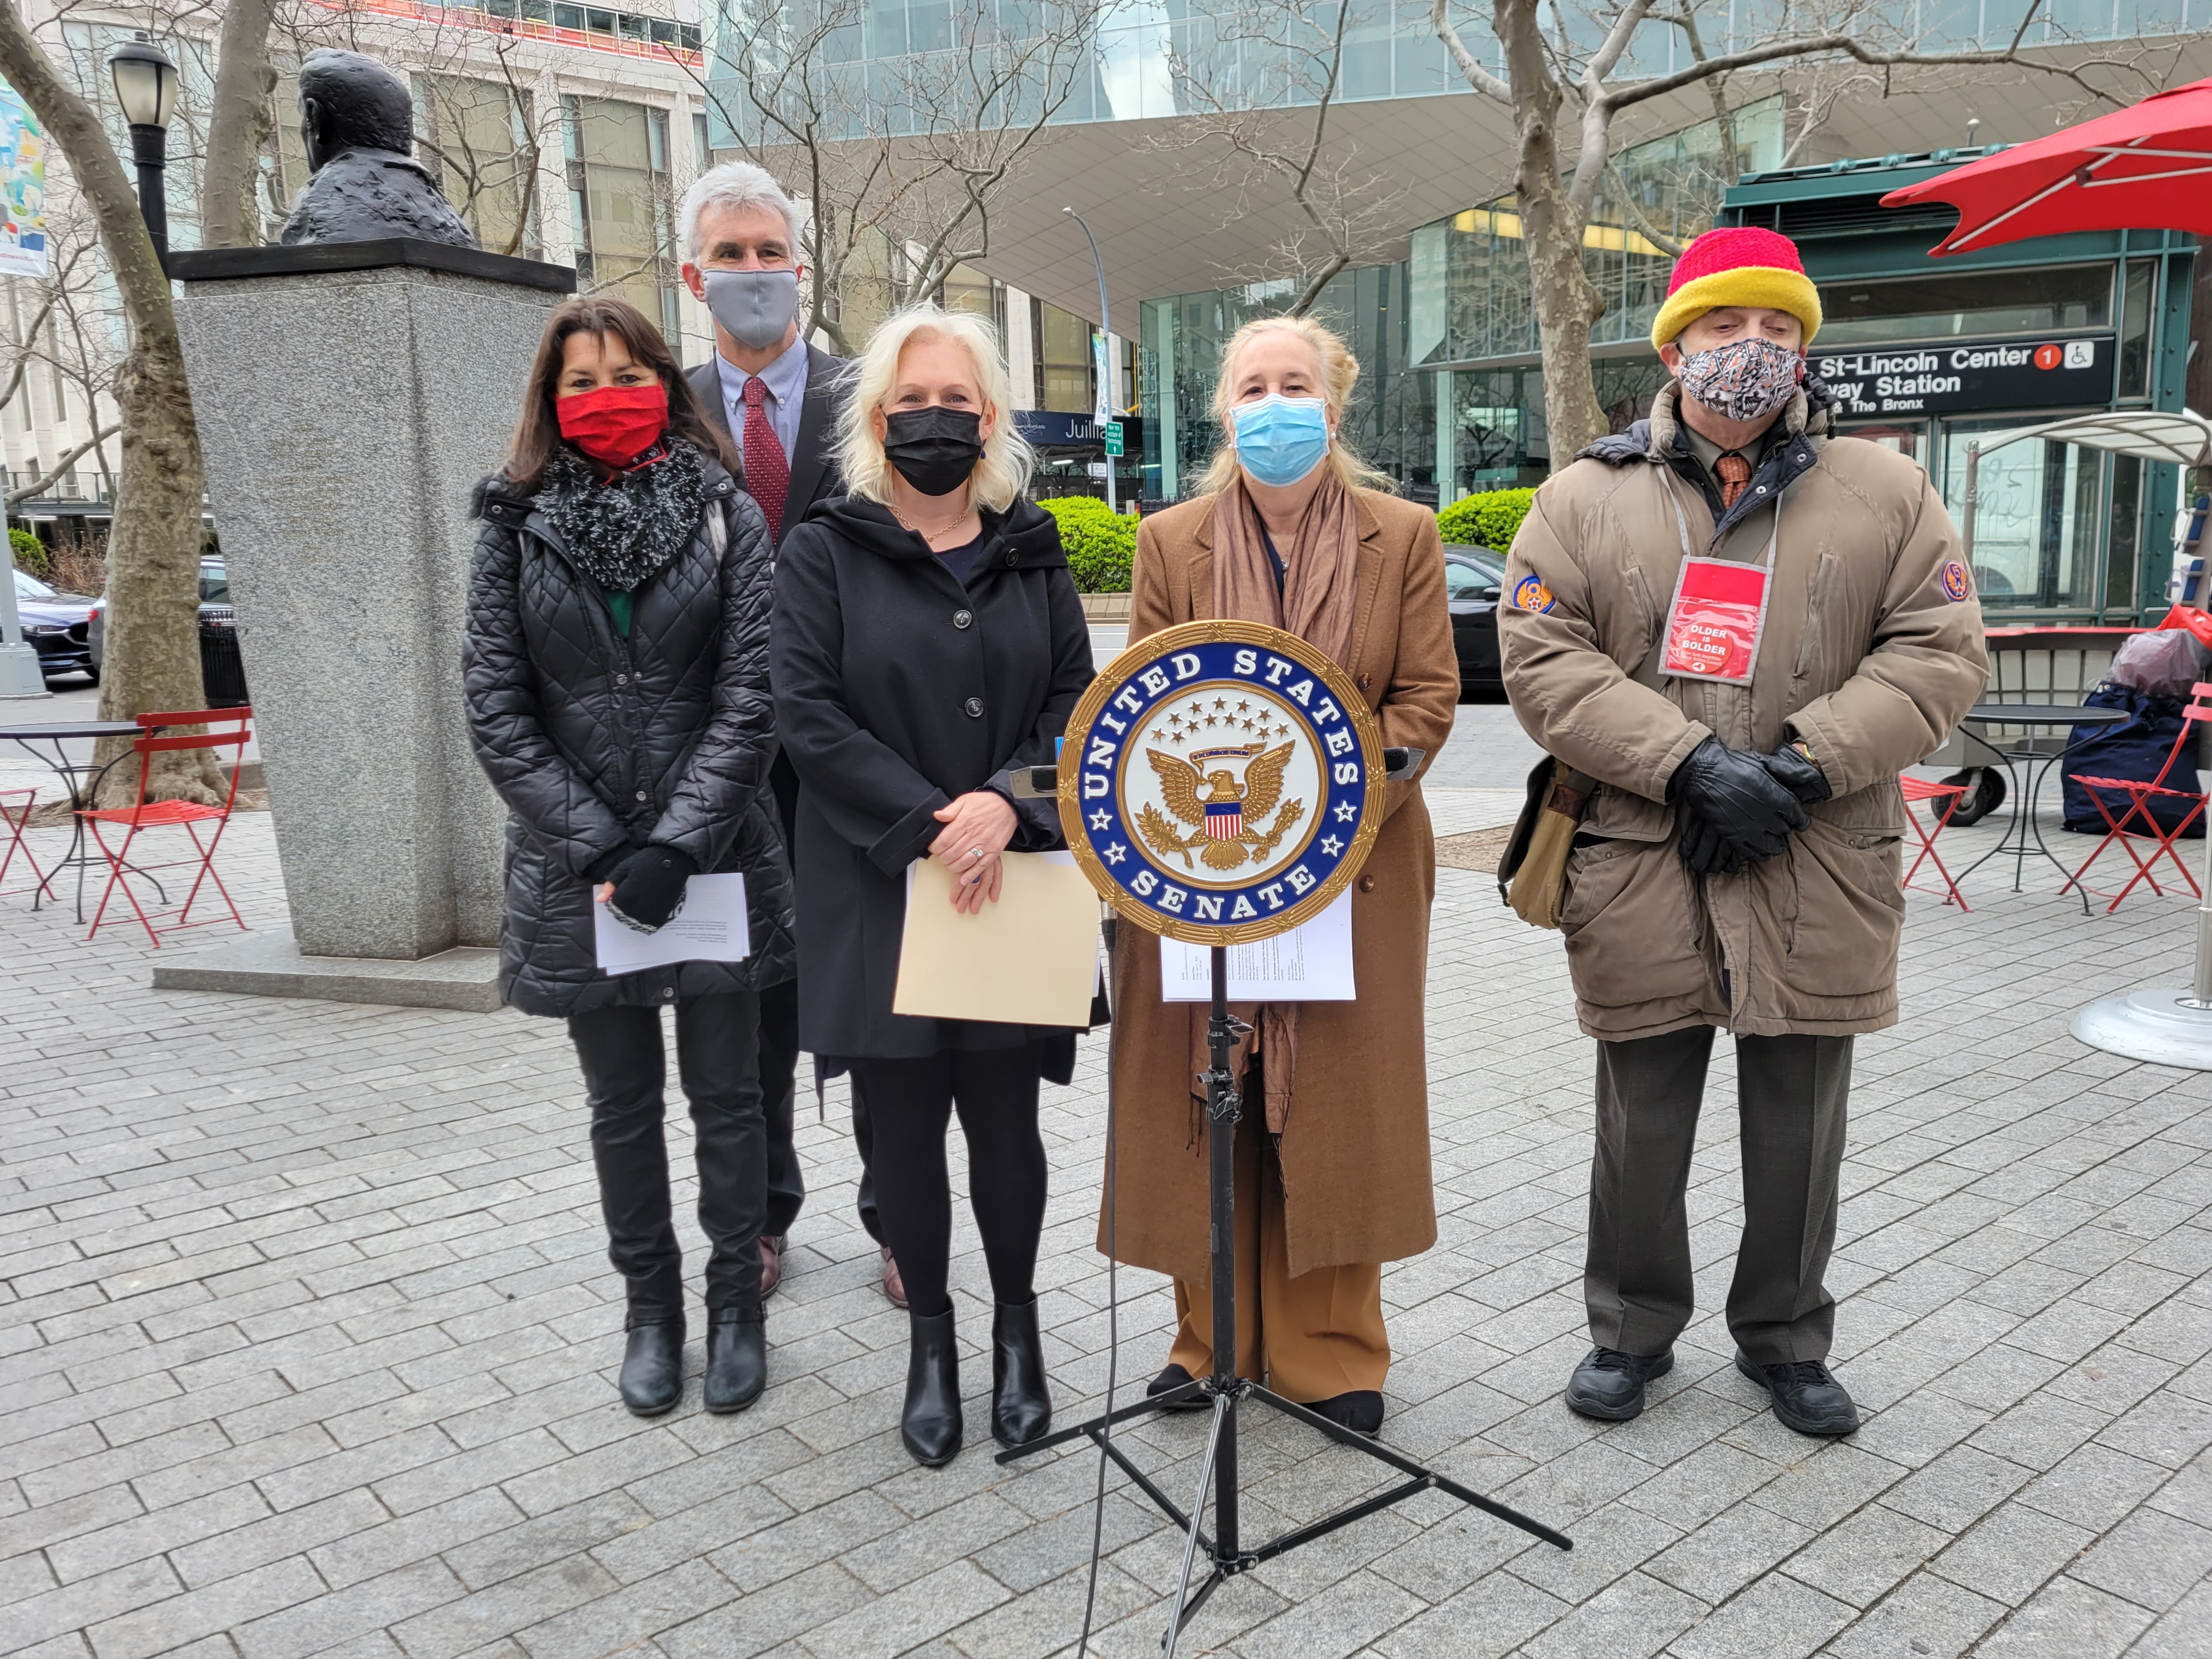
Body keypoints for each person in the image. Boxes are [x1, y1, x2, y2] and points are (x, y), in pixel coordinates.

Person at [1498, 227, 1987, 1437]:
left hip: (1817, 852)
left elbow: (1939, 652)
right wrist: (1692, 767)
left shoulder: (1889, 492)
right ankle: (1629, 1329)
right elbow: (1542, 659)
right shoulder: (1583, 497)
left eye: (1780, 331)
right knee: (1641, 1117)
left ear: (1806, 352)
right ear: (1675, 345)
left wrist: (1800, 771)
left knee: (1800, 1120)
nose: (1753, 352)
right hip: (1643, 854)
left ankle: (1784, 1336)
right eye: (1727, 327)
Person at [1103, 315, 1458, 1437]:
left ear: (1334, 405)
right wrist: (1244, 842)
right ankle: (1207, 1342)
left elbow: (1427, 699)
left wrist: (1327, 815)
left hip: (1355, 875)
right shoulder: (1173, 542)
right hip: (1204, 874)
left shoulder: (1402, 537)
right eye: (1252, 386)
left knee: (1337, 1109)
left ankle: (1331, 1353)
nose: (1273, 404)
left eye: (1293, 383)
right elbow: (1148, 697)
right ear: (1223, 410)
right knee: (1206, 1099)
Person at [771, 304, 1094, 1467]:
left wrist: (1010, 798)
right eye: (912, 405)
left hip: (1012, 882)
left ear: (991, 419)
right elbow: (803, 712)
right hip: (879, 885)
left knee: (1007, 1130)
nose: (934, 423)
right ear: (874, 420)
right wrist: (926, 819)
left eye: (956, 405)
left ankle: (1018, 1338)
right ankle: (932, 1348)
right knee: (900, 1135)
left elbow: (1076, 703)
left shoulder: (1036, 547)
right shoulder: (821, 552)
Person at [463, 296, 793, 1419]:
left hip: (713, 858)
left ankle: (737, 1307)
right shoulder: (512, 522)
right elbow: (496, 708)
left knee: (729, 1096)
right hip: (579, 871)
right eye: (582, 380)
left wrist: (677, 842)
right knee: (622, 1107)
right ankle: (652, 1314)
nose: (607, 397)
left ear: (663, 379)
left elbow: (754, 695)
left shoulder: (724, 513)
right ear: (551, 401)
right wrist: (603, 843)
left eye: (626, 373)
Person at [676, 162, 893, 1307]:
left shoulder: (872, 401)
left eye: (772, 253)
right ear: (692, 273)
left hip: (854, 759)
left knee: (874, 996)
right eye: (733, 255)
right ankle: (759, 1222)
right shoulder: (657, 412)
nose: (755, 273)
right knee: (742, 1013)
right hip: (717, 770)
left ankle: (897, 1215)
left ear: (800, 267)